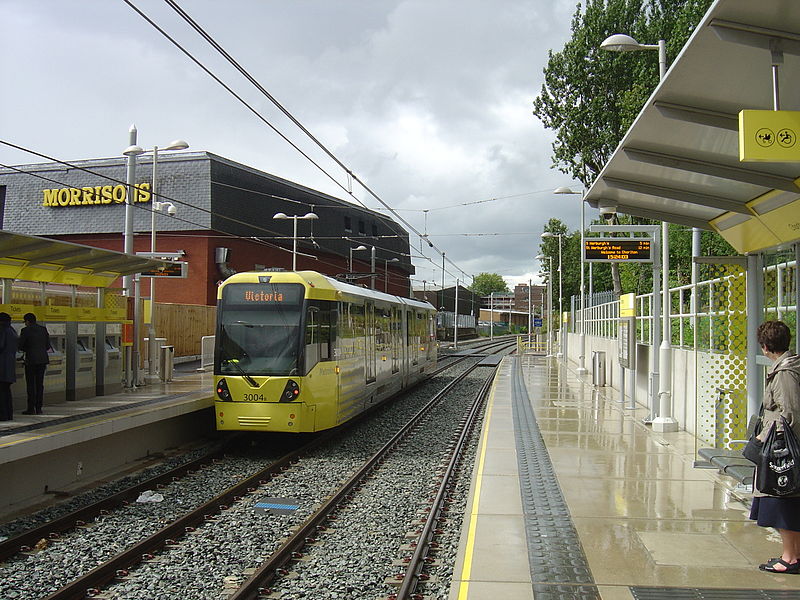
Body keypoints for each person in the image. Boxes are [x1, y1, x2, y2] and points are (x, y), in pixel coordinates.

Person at [750, 320, 800, 574]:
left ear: (766, 347)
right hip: (782, 446)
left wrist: (765, 438)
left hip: (781, 451)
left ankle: (790, 558)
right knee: (785, 502)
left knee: (783, 503)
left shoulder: (785, 374)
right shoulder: (788, 367)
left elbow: (789, 414)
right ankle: (791, 554)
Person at [18, 312, 50, 415]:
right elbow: (48, 346)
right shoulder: (43, 329)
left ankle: (31, 408)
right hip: (42, 360)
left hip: (31, 360)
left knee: (31, 385)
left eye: (25, 322)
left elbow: (21, 346)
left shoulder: (25, 330)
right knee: (39, 384)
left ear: (27, 321)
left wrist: (27, 349)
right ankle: (39, 408)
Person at [0, 312, 18, 421]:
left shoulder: (2, 330)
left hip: (2, 365)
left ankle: (2, 415)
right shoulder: (12, 331)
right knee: (6, 391)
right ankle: (8, 414)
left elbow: (0, 345)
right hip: (10, 365)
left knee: (2, 392)